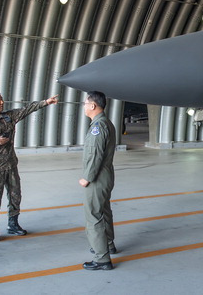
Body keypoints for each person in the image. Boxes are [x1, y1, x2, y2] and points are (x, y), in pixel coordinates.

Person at [0, 90, 58, 241]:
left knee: (15, 195)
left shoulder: (9, 116)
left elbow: (27, 109)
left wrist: (46, 102)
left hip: (11, 164)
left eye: (1, 99)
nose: (2, 102)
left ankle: (13, 224)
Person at [79, 91, 117, 271]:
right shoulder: (106, 123)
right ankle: (108, 245)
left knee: (93, 216)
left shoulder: (97, 127)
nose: (84, 106)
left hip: (97, 177)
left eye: (85, 103)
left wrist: (87, 178)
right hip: (106, 175)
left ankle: (102, 259)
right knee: (104, 211)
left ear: (93, 106)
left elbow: (95, 155)